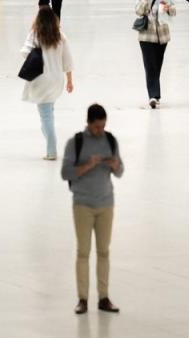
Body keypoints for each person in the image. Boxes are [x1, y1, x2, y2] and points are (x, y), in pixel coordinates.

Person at [60, 104, 124, 315]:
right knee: (83, 252)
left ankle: (104, 298)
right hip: (83, 205)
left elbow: (120, 171)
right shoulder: (76, 143)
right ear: (88, 123)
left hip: (106, 203)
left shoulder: (110, 140)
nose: (100, 131)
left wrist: (115, 165)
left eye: (103, 126)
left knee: (104, 251)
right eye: (97, 127)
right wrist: (88, 165)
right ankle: (83, 299)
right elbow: (65, 173)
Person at [20, 6, 73, 161]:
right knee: (48, 111)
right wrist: (69, 80)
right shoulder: (60, 36)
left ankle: (51, 150)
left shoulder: (35, 34)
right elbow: (67, 60)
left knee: (45, 116)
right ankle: (49, 139)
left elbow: (24, 52)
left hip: (41, 78)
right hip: (56, 79)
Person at [135, 0, 176, 108]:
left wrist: (168, 8)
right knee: (150, 65)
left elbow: (173, 12)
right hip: (146, 36)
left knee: (157, 65)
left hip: (162, 36)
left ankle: (155, 93)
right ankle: (153, 96)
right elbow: (139, 11)